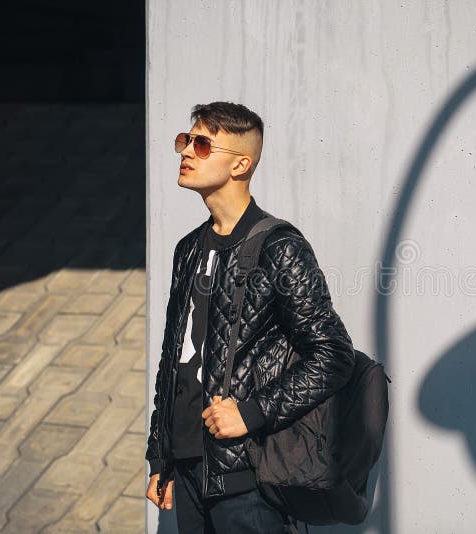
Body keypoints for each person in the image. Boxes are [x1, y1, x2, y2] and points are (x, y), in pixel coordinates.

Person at [145, 101, 356, 533]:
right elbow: (173, 361)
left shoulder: (278, 247)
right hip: (183, 475)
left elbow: (334, 354)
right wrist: (159, 458)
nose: (186, 151)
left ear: (241, 163)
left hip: (247, 480)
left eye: (202, 145)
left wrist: (253, 411)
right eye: (186, 140)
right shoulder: (188, 249)